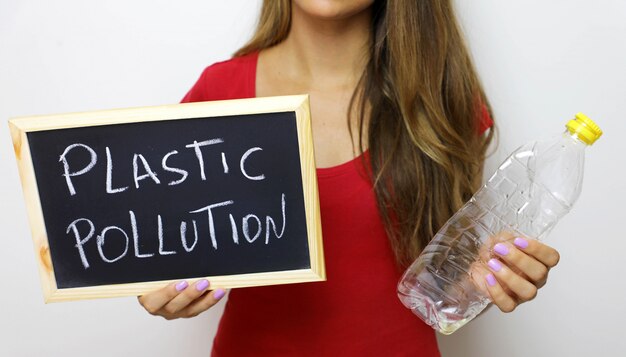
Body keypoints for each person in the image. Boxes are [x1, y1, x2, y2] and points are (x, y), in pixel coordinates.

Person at [138, 0, 561, 355]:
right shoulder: (218, 93)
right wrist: (157, 283)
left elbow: (450, 284)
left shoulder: (442, 101)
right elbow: (168, 250)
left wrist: (485, 284)